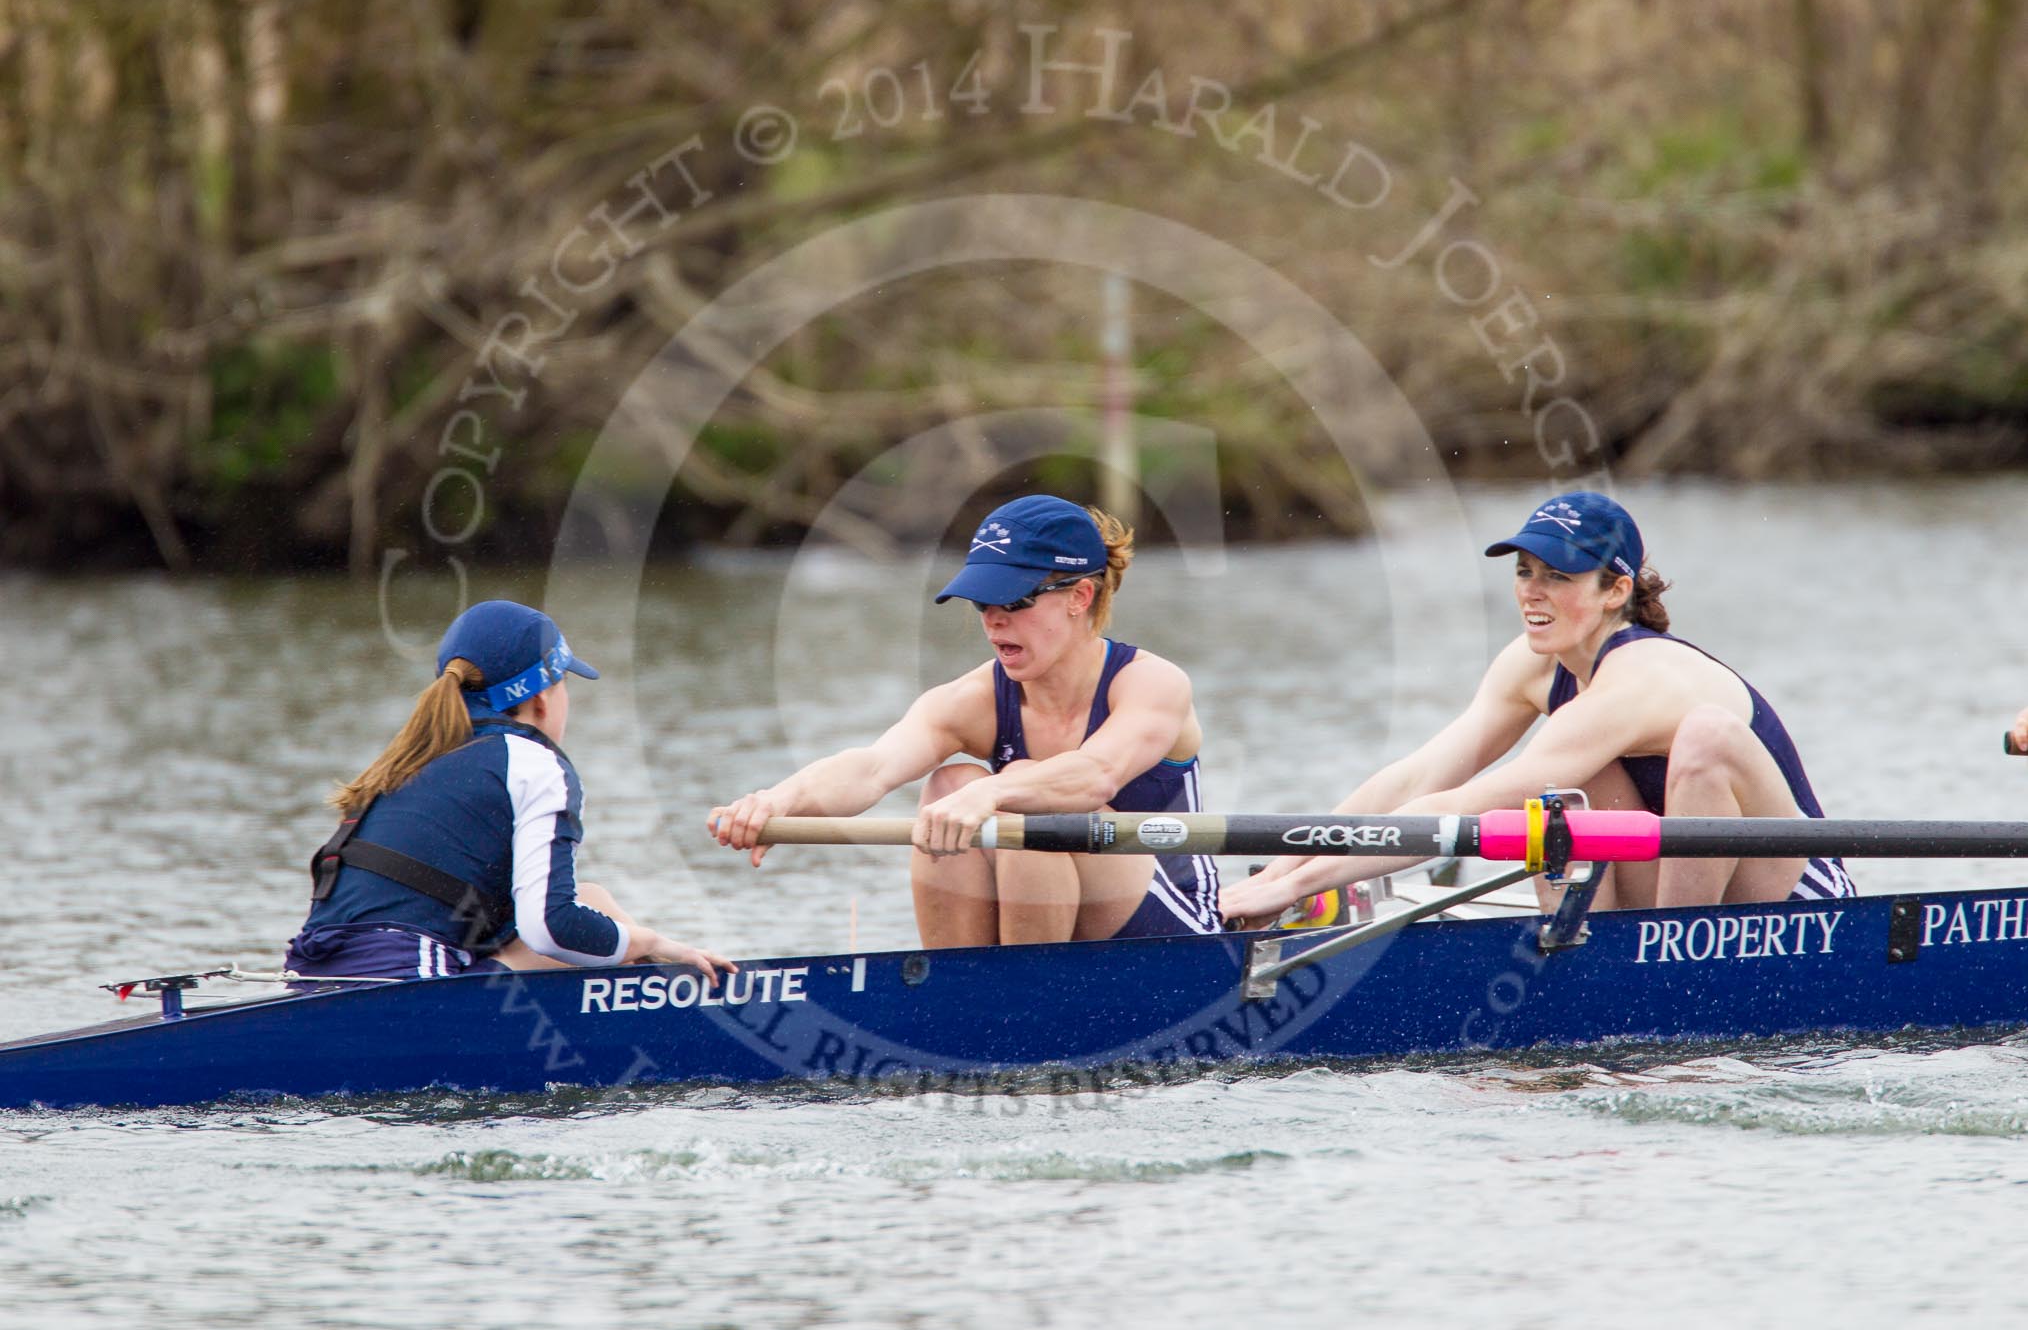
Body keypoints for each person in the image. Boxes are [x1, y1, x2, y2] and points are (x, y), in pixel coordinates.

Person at [1222, 491, 1854, 926]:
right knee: (1567, 787)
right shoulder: (1532, 664)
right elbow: (1420, 778)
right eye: (1525, 571)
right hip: (1672, 880)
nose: (1532, 592)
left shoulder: (1640, 675)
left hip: (1791, 896)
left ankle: (1662, 959)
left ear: (1617, 590)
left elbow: (1461, 808)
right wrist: (1276, 871)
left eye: (1558, 576)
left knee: (1705, 736)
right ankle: (1586, 963)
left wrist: (1301, 887)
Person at [709, 495, 1220, 947]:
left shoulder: (1152, 683)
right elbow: (871, 768)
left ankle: (1022, 1007)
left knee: (1019, 794)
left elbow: (1095, 775)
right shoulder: (973, 698)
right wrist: (779, 803)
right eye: (983, 601)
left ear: (1080, 597)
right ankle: (965, 998)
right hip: (1057, 916)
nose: (994, 619)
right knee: (951, 782)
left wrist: (994, 793)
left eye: (1015, 600)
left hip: (1177, 933)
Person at [285, 600, 735, 985]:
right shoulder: (533, 763)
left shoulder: (411, 756)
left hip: (309, 976)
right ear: (542, 698)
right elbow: (550, 929)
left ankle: (657, 994)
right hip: (406, 982)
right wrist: (657, 943)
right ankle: (675, 1000)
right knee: (592, 917)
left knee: (591, 900)